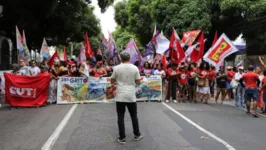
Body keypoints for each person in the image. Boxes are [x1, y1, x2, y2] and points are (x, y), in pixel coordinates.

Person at [111, 51, 143, 144]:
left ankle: (122, 137)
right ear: (129, 58)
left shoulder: (116, 68)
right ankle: (137, 134)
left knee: (120, 116)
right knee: (134, 116)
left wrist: (118, 81)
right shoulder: (134, 68)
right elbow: (138, 82)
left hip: (120, 94)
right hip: (131, 95)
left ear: (121, 58)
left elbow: (112, 80)